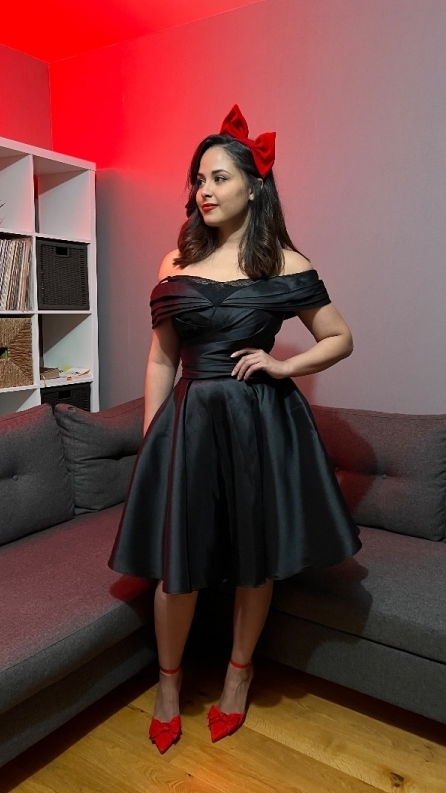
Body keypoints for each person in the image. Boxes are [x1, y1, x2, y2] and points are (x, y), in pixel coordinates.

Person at [107, 104, 362, 754]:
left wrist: (285, 365)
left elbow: (339, 337)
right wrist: (154, 439)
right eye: (199, 179)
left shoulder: (285, 262)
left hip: (258, 426)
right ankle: (168, 685)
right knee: (177, 567)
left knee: (254, 561)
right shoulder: (175, 260)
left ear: (254, 185)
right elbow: (161, 359)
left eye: (219, 177)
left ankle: (237, 675)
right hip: (189, 424)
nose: (205, 190)